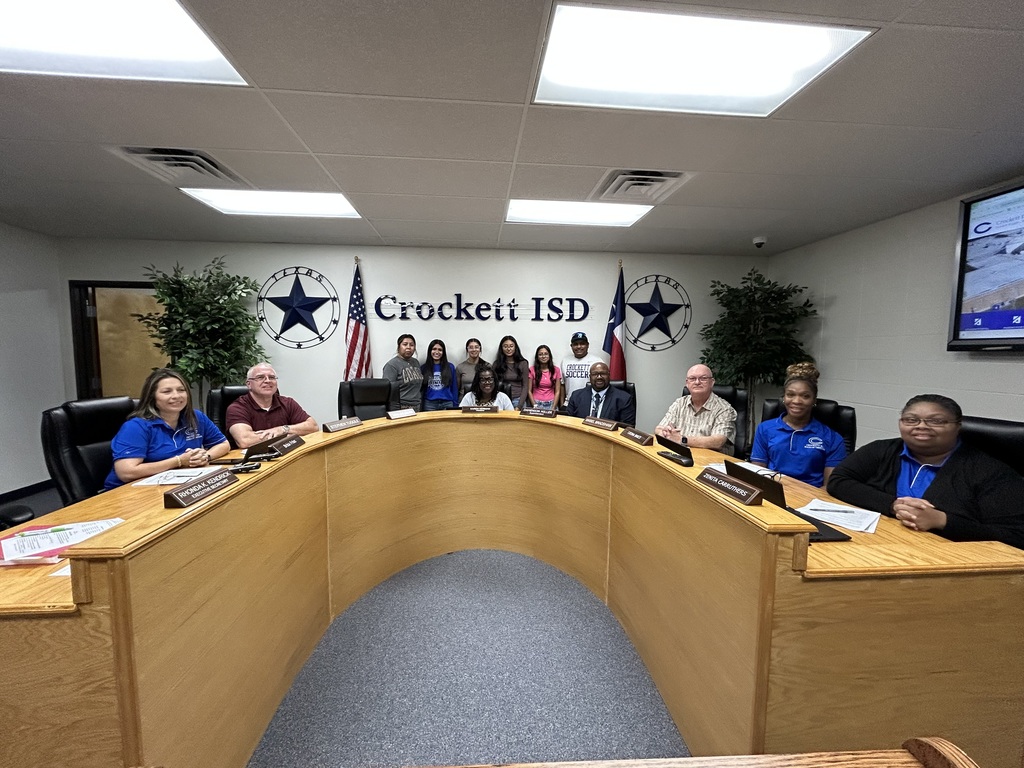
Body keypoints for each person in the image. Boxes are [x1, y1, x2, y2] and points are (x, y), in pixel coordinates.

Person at [828, 394, 1024, 549]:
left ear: (957, 427)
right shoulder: (882, 450)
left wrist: (942, 521)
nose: (921, 426)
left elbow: (1015, 536)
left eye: (936, 421)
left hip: (953, 559)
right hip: (882, 545)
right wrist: (893, 505)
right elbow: (838, 480)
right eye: (911, 419)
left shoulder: (989, 471)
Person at [104, 368, 230, 489]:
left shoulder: (195, 417)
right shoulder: (136, 427)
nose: (176, 396)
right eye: (167, 391)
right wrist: (179, 461)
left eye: (181, 390)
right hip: (128, 494)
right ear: (152, 397)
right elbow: (127, 472)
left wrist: (205, 457)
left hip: (175, 485)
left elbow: (223, 444)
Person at [750, 363, 846, 487]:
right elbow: (757, 475)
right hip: (773, 492)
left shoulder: (833, 438)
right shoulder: (765, 429)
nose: (796, 401)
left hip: (811, 498)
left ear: (814, 400)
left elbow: (829, 487)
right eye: (790, 394)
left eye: (805, 396)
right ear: (783, 398)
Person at [226, 362, 318, 448]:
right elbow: (245, 440)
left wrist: (283, 429)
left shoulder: (288, 403)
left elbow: (313, 427)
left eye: (272, 377)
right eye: (260, 377)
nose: (267, 381)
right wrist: (288, 436)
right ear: (249, 384)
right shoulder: (237, 408)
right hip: (252, 460)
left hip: (284, 455)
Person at [654, 364, 737, 454]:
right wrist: (666, 434)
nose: (697, 382)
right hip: (681, 456)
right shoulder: (679, 403)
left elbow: (718, 442)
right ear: (687, 383)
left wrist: (682, 440)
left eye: (703, 378)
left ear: (712, 382)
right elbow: (658, 429)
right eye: (692, 379)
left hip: (710, 461)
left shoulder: (725, 409)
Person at [566, 362, 636, 426]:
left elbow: (627, 427)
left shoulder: (624, 398)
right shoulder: (576, 396)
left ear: (609, 375)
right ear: (590, 377)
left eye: (603, 374)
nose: (599, 377)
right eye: (595, 374)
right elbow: (568, 422)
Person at [560, 331, 603, 407]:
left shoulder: (597, 362)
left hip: (590, 405)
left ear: (587, 345)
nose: (579, 347)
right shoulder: (565, 361)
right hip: (569, 404)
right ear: (571, 346)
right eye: (575, 344)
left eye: (582, 343)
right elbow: (562, 385)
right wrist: (562, 404)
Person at [382, 333, 424, 411]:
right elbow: (388, 391)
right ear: (399, 347)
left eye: (411, 345)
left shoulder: (416, 362)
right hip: (401, 407)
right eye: (405, 344)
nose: (408, 347)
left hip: (417, 406)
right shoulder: (392, 365)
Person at [420, 339, 459, 411]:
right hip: (429, 404)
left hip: (447, 403)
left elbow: (454, 388)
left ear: (443, 352)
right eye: (434, 349)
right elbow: (422, 390)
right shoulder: (424, 368)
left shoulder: (450, 367)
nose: (437, 352)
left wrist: (455, 404)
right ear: (430, 351)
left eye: (440, 350)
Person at [493, 335, 530, 408]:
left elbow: (525, 386)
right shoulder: (496, 364)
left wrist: (519, 405)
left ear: (515, 347)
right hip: (502, 399)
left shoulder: (523, 363)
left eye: (511, 346)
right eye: (505, 346)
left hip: (518, 399)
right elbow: (493, 384)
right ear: (502, 348)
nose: (508, 349)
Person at [528, 344, 562, 410]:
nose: (543, 356)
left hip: (552, 403)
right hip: (536, 403)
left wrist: (553, 407)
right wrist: (535, 406)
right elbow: (529, 391)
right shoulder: (532, 370)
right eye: (540, 354)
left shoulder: (556, 370)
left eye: (546, 354)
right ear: (537, 357)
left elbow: (558, 391)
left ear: (549, 356)